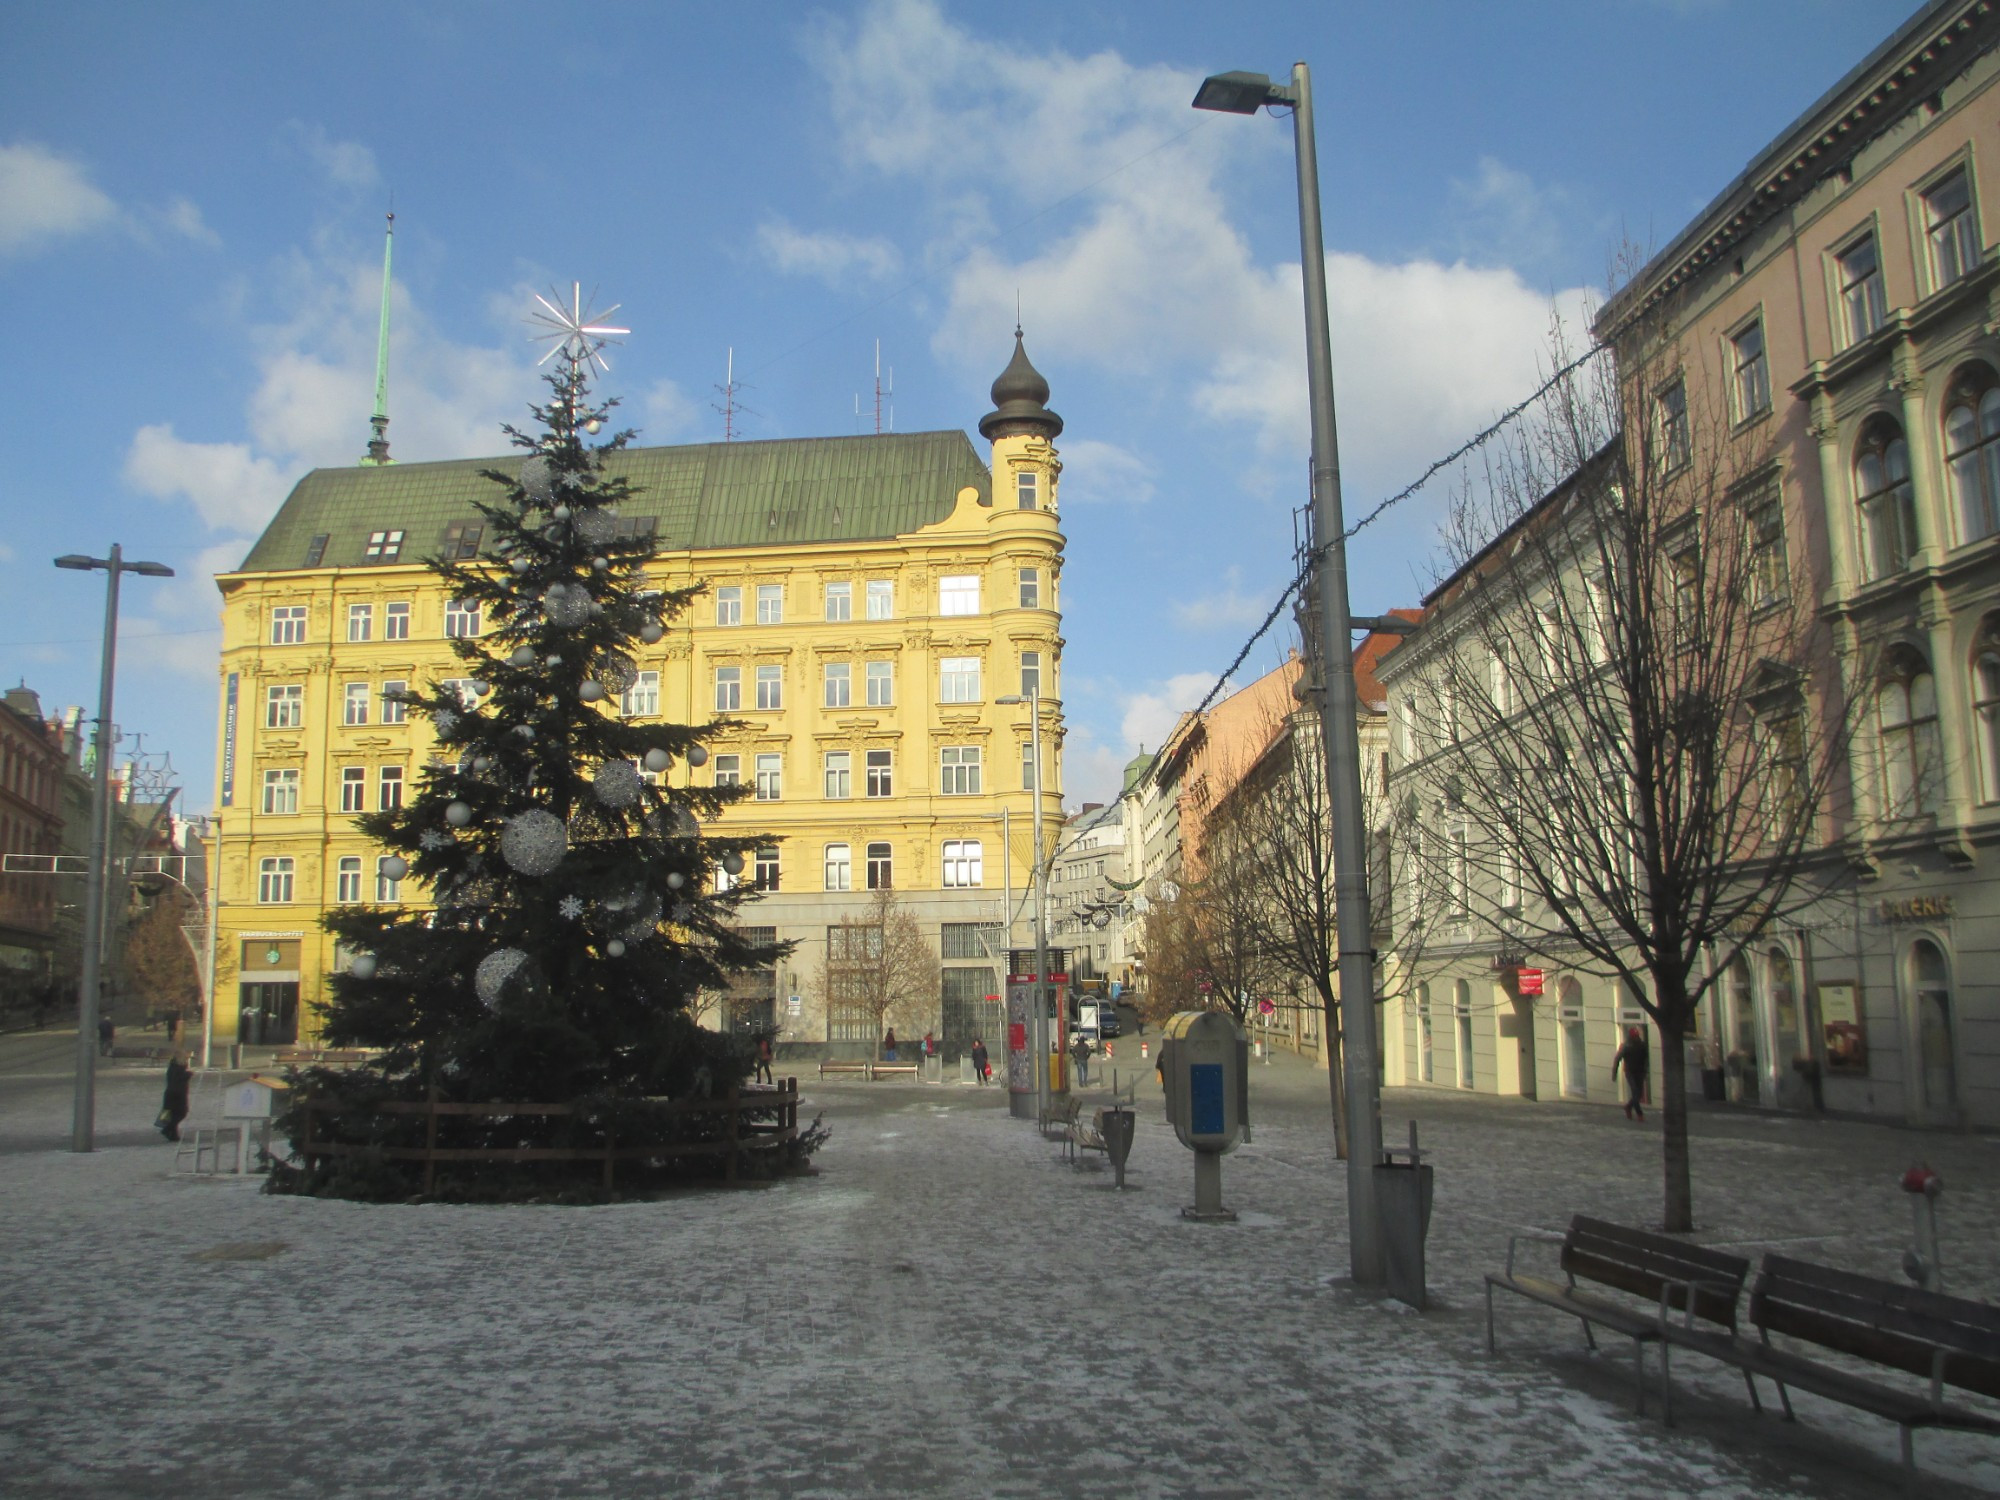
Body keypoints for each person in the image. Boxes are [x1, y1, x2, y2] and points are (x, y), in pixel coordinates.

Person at [1612, 1025, 1650, 1122]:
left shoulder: (1642, 1045)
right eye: (1634, 1037)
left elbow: (1646, 1058)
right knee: (1635, 1093)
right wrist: (1614, 1073)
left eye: (1637, 1036)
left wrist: (1645, 1070)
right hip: (1630, 1072)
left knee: (1639, 1094)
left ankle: (1628, 1107)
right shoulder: (1626, 1046)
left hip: (1640, 1071)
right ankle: (1639, 1114)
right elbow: (1617, 1059)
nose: (1636, 1038)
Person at [158, 1051, 192, 1142]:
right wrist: (188, 1075)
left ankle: (173, 1135)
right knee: (181, 1113)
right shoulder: (177, 1069)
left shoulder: (172, 1067)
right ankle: (167, 1129)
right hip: (178, 1094)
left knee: (171, 1114)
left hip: (170, 1093)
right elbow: (178, 1080)